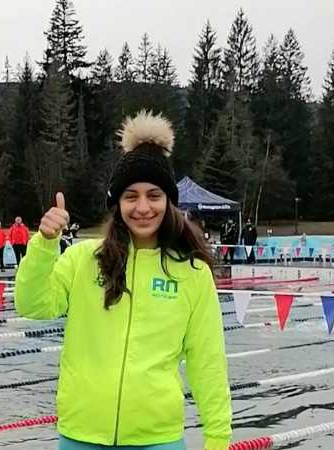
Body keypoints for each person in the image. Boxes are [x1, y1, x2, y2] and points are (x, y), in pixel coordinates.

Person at [15, 110, 231, 450]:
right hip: (81, 436)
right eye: (131, 196)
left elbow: (208, 362)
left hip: (157, 439)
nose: (142, 207)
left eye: (154, 195)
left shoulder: (192, 274)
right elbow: (32, 305)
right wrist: (44, 245)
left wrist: (217, 437)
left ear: (169, 202)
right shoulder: (83, 260)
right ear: (117, 203)